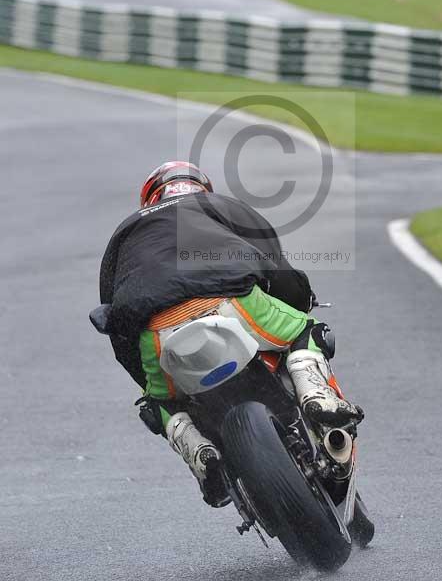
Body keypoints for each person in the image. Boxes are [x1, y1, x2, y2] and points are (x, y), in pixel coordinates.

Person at [99, 161, 362, 507]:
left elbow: (116, 319)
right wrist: (300, 300)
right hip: (231, 301)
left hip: (157, 330)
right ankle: (316, 396)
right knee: (305, 330)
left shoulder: (126, 230)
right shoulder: (223, 206)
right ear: (202, 188)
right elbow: (274, 265)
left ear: (150, 199)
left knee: (158, 402)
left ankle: (199, 451)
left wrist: (148, 383)